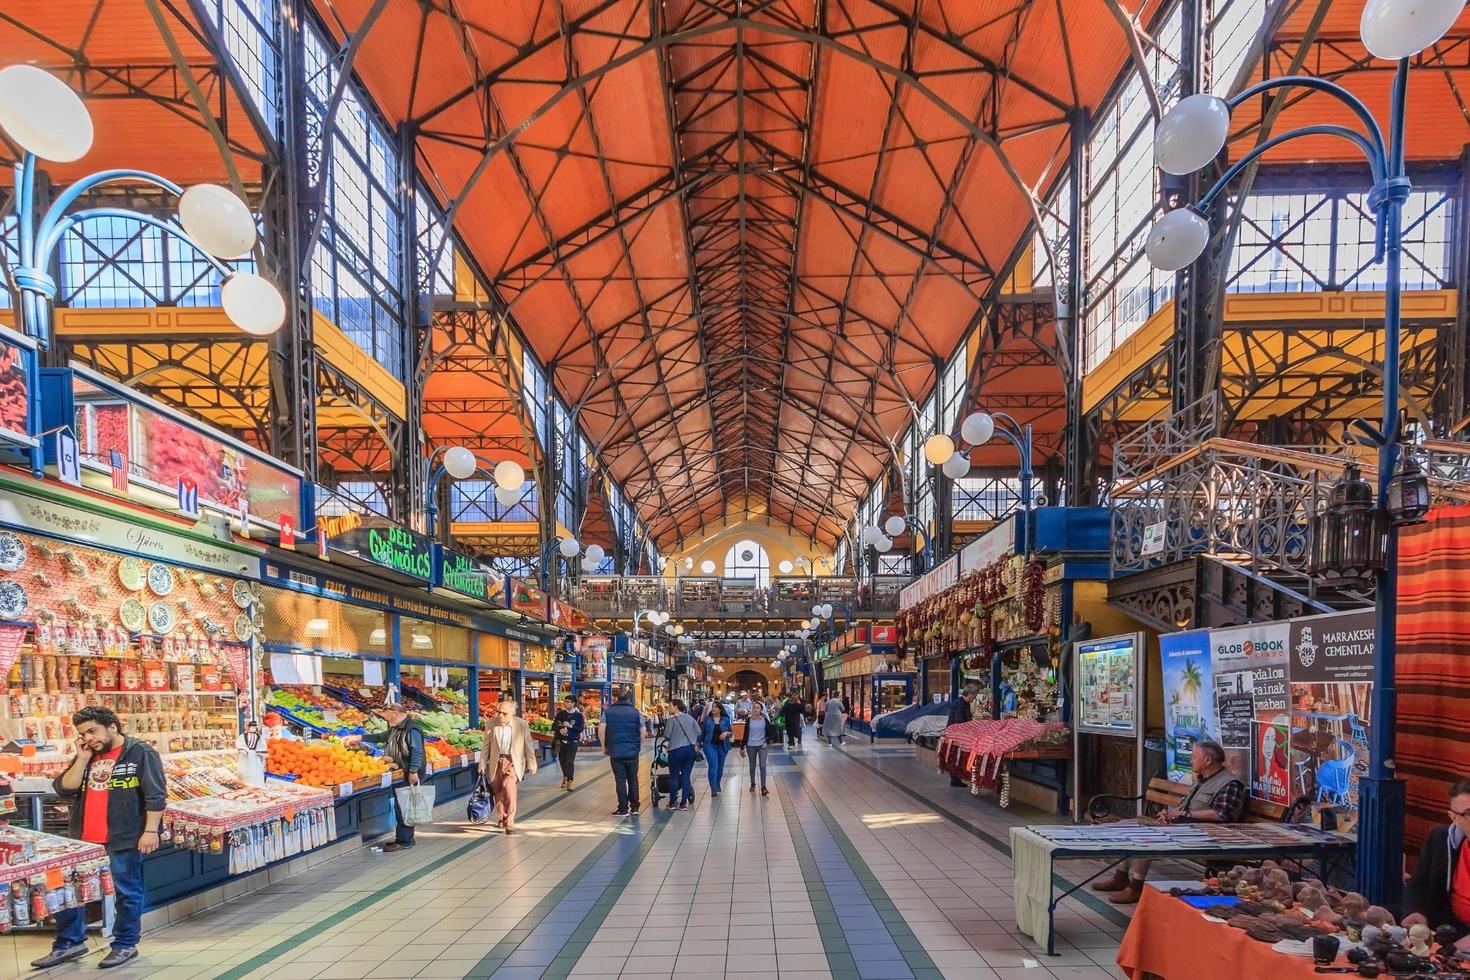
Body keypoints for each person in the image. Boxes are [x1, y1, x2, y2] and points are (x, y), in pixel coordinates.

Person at [32, 707, 167, 970]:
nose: (88, 737)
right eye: (83, 733)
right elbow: (63, 788)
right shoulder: (88, 755)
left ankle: (125, 944)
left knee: (126, 891)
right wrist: (82, 759)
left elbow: (155, 795)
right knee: (70, 891)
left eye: (92, 731)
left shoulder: (140, 752)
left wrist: (151, 831)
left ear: (113, 726)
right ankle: (68, 943)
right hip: (82, 839)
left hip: (123, 836)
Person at [1092, 740, 1245, 904]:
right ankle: (1120, 876)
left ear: (1207, 760)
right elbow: (1184, 806)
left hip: (1203, 834)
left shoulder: (1230, 784)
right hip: (1181, 827)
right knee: (1127, 826)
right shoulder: (1201, 780)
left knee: (1146, 838)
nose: (1191, 761)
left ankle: (1136, 887)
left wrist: (1184, 814)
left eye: (1194, 757)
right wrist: (1168, 814)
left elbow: (1221, 815)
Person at [1404, 778, 1470, 943]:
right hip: (1449, 926)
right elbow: (1420, 885)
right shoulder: (1441, 839)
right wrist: (1417, 911)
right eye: (1469, 814)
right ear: (1454, 817)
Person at [355, 702, 426, 851]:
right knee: (402, 806)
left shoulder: (411, 729)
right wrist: (360, 738)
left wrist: (413, 771)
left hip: (408, 773)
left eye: (386, 713)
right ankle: (406, 838)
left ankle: (404, 841)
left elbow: (417, 751)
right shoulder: (395, 729)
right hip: (400, 772)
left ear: (394, 713)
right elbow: (380, 736)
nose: (384, 716)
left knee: (404, 807)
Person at [481, 699, 537, 833]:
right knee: (498, 789)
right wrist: (482, 763)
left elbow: (528, 744)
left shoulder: (521, 724)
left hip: (512, 761)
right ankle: (502, 817)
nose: (500, 716)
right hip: (496, 761)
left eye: (504, 713)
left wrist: (532, 763)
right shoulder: (491, 723)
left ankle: (510, 820)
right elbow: (486, 746)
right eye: (498, 712)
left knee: (508, 787)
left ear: (512, 713)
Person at [599, 689, 644, 816]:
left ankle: (623, 808)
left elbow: (601, 730)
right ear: (629, 699)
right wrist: (638, 746)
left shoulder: (607, 713)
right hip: (632, 752)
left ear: (616, 698)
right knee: (633, 779)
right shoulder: (636, 713)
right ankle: (635, 807)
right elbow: (643, 731)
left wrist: (604, 747)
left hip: (615, 751)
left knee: (620, 781)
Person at [662, 699, 701, 810]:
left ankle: (672, 802)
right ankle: (684, 803)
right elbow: (698, 732)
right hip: (690, 750)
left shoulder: (671, 719)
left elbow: (667, 735)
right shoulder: (690, 718)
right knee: (686, 776)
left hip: (675, 750)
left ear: (677, 707)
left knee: (674, 776)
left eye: (670, 706)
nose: (669, 708)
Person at [946, 684, 980, 787]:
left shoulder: (964, 703)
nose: (975, 698)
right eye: (974, 695)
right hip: (956, 736)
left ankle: (956, 778)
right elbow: (959, 722)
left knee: (958, 757)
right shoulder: (960, 704)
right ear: (970, 694)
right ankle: (955, 779)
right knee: (956, 757)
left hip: (958, 734)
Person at [739, 700, 775, 796]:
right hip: (751, 745)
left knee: (763, 766)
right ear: (751, 709)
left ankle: (763, 787)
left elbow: (771, 734)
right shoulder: (748, 721)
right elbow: (745, 734)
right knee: (752, 766)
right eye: (754, 707)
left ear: (761, 710)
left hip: (762, 745)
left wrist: (766, 742)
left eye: (758, 708)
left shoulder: (765, 720)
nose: (755, 709)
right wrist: (742, 747)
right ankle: (753, 783)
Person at [551, 698, 585, 791]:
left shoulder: (578, 716)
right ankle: (565, 776)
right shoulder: (560, 714)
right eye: (565, 701)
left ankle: (570, 781)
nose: (565, 703)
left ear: (573, 703)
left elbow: (581, 728)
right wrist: (560, 729)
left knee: (569, 761)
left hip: (573, 741)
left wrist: (570, 726)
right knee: (562, 760)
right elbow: (554, 726)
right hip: (561, 741)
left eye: (568, 702)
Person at [701, 702, 734, 797]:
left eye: (716, 707)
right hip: (709, 745)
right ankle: (713, 787)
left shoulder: (726, 720)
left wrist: (726, 733)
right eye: (713, 707)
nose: (713, 709)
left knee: (720, 767)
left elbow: (731, 733)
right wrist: (698, 744)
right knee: (713, 766)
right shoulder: (707, 720)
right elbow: (702, 733)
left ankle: (717, 783)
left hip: (722, 746)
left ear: (720, 709)